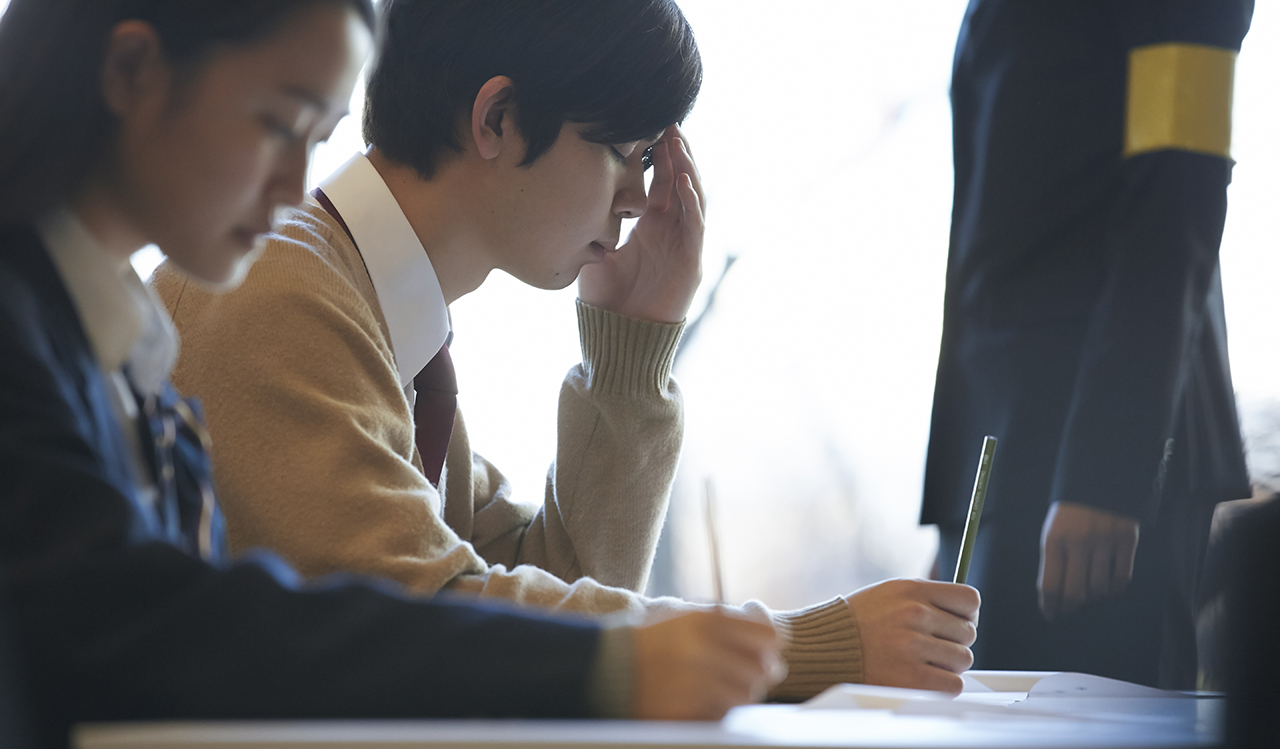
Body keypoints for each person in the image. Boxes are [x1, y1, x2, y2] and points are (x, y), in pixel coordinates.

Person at [0, 0, 788, 749]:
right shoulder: (250, 302)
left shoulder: (128, 342)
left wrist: (630, 350)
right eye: (278, 122)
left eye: (317, 131)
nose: (293, 180)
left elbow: (527, 581)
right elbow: (187, 618)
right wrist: (773, 651)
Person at [156, 0, 983, 708]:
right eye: (624, 153)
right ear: (498, 120)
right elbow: (439, 615)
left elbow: (538, 589)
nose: (634, 201)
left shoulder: (375, 311)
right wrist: (803, 649)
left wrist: (629, 352)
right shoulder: (280, 293)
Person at [921, 0, 1253, 688]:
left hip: (1095, 475)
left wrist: (1109, 466)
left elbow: (1182, 180)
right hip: (1000, 470)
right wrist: (961, 521)